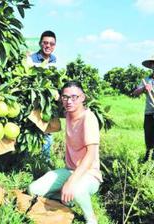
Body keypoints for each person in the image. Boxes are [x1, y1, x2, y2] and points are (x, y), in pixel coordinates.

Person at [28, 81, 102, 224]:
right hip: (69, 170)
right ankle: (67, 198)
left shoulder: (89, 118)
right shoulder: (67, 113)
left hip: (89, 175)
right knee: (33, 189)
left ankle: (91, 218)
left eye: (74, 97)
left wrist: (71, 181)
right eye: (65, 97)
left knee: (77, 190)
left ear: (83, 98)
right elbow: (48, 104)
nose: (69, 101)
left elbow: (91, 154)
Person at [27, 30, 57, 160]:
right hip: (33, 100)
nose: (48, 46)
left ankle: (45, 161)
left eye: (51, 43)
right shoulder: (32, 59)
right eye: (45, 43)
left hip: (47, 102)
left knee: (47, 131)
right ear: (40, 43)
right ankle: (26, 160)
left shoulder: (55, 60)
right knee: (30, 129)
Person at [133, 56, 154, 161]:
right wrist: (143, 89)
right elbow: (135, 92)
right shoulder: (147, 80)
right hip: (150, 113)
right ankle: (148, 158)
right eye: (153, 63)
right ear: (151, 66)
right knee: (149, 135)